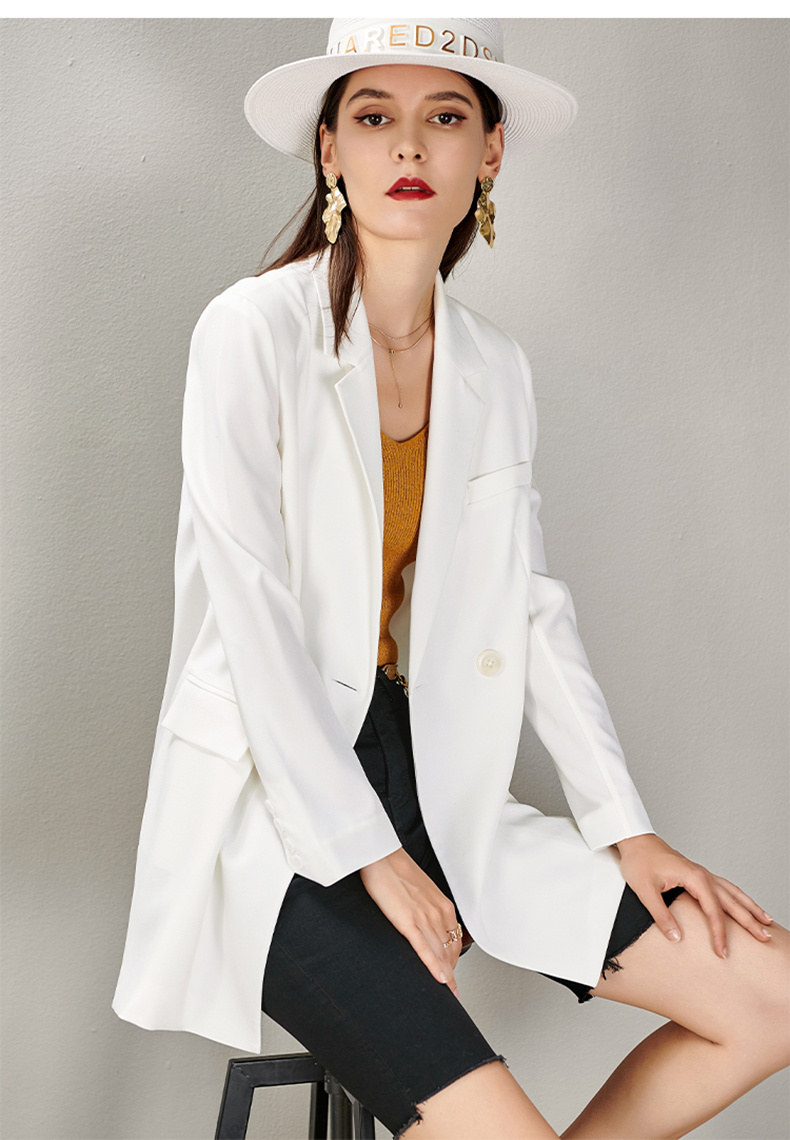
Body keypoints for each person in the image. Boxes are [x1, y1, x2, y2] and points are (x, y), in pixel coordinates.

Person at [113, 19, 789, 1139]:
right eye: (373, 116)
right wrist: (370, 853)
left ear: (491, 151)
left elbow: (529, 606)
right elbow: (252, 615)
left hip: (434, 777)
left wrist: (624, 826)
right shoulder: (249, 331)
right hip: (275, 810)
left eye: (446, 116)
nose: (408, 145)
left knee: (771, 998)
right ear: (329, 148)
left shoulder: (493, 366)